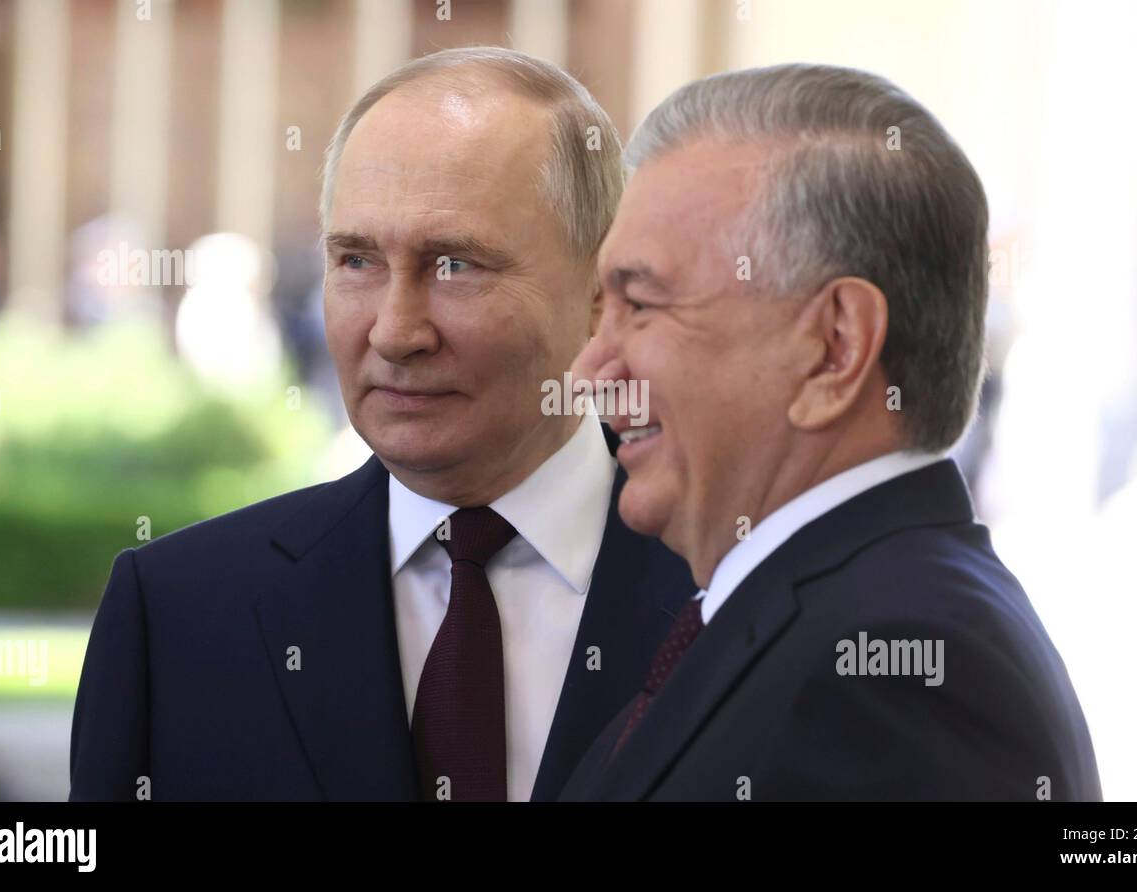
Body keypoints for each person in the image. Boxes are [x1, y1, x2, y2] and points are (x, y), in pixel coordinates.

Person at [69, 47, 693, 803]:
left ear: (600, 291)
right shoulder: (177, 614)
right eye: (357, 261)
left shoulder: (730, 588)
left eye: (456, 266)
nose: (396, 333)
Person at [561, 64, 1102, 801]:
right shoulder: (833, 616)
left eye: (643, 305)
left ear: (835, 347)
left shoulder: (896, 673)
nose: (593, 369)